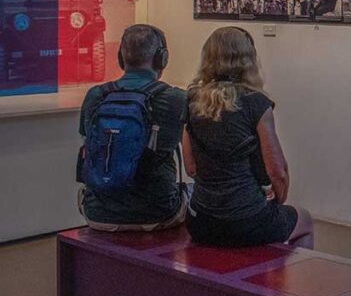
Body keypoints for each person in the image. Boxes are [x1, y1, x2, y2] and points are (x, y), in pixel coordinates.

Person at [182, 26, 314, 248]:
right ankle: (278, 282)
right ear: (248, 59)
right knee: (305, 221)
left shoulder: (191, 100)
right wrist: (277, 202)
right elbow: (277, 171)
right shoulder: (256, 103)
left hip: (200, 220)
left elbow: (190, 167)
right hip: (246, 219)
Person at [77, 24, 187, 231]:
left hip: (97, 213)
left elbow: (87, 144)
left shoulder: (95, 96)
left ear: (121, 57)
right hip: (157, 213)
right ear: (162, 58)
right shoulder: (175, 99)